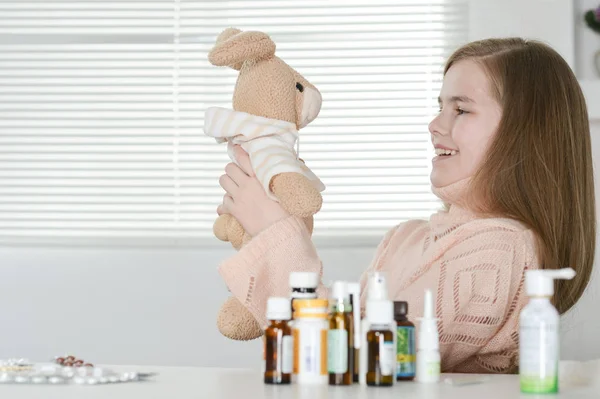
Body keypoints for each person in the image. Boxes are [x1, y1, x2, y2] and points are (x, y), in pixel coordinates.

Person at [214, 37, 596, 373]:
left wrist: (277, 232)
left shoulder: (502, 251)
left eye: (460, 109)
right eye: (440, 105)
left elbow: (363, 358)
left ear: (523, 134)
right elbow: (345, 339)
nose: (434, 123)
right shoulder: (407, 238)